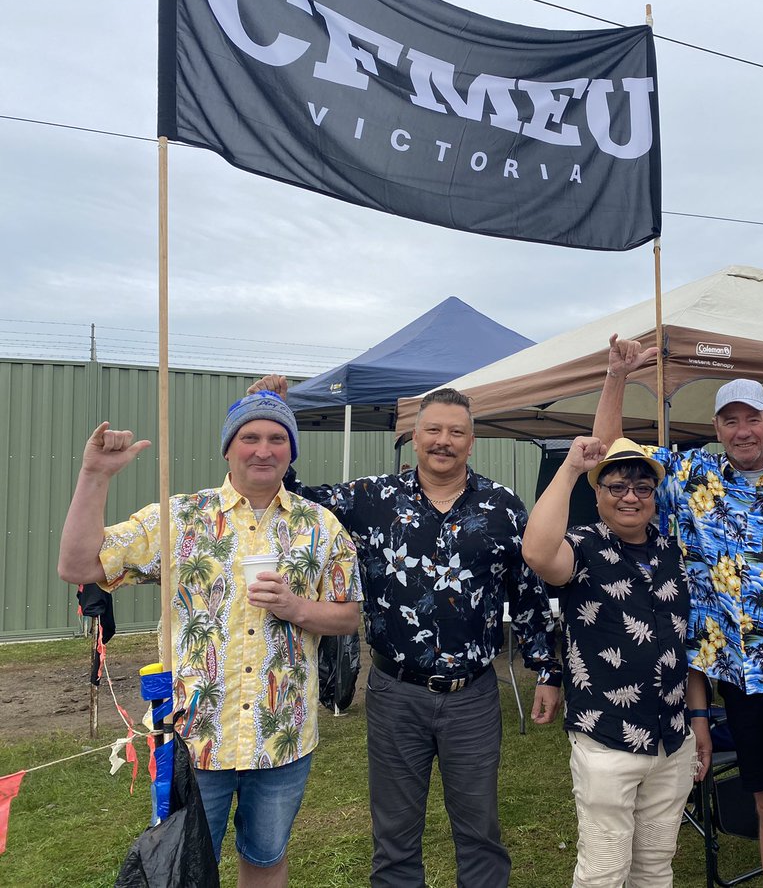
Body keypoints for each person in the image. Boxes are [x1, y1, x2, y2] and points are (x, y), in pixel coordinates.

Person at [248, 375, 561, 888]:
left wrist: (546, 670)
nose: (443, 441)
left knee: (479, 829)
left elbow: (524, 591)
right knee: (394, 837)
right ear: (413, 439)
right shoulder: (372, 498)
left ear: (471, 441)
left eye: (456, 432)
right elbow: (295, 496)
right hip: (396, 693)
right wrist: (273, 411)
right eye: (432, 430)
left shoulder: (503, 506)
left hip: (473, 696)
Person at [58, 392, 362, 888]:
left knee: (265, 860)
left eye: (277, 439)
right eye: (250, 437)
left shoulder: (322, 526)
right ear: (228, 448)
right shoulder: (178, 518)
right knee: (183, 865)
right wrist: (95, 476)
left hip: (282, 737)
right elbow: (77, 565)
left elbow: (349, 616)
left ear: (291, 451)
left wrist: (296, 608)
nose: (263, 449)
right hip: (194, 737)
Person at [596, 336, 763, 888]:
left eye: (752, 418)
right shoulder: (691, 479)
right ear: (717, 429)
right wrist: (617, 377)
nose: (742, 431)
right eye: (730, 420)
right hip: (744, 682)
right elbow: (607, 452)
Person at [523, 436, 710, 887]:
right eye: (617, 487)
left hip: (671, 738)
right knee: (604, 870)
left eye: (642, 487)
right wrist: (569, 470)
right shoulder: (581, 547)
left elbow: (689, 647)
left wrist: (699, 719)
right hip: (607, 738)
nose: (630, 496)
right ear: (599, 493)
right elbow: (536, 553)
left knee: (655, 865)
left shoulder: (675, 552)